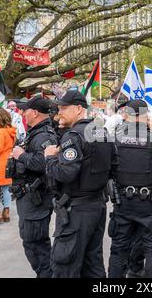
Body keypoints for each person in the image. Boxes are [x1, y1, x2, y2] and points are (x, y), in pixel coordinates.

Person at [44, 90, 115, 278]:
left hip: (77, 209)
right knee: (93, 264)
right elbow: (113, 165)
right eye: (59, 108)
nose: (60, 112)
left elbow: (65, 173)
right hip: (96, 207)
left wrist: (50, 157)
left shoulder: (73, 136)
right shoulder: (101, 131)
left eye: (64, 108)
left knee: (65, 264)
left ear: (78, 109)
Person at [108, 99, 152, 278]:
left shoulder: (114, 139)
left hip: (122, 202)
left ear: (127, 115)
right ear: (146, 115)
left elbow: (107, 171)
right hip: (148, 202)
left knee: (118, 248)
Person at [10, 96, 58, 278]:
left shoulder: (44, 134)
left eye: (25, 110)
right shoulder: (36, 131)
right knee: (32, 241)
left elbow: (43, 162)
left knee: (35, 243)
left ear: (35, 112)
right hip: (29, 196)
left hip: (36, 197)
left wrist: (21, 156)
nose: (23, 113)